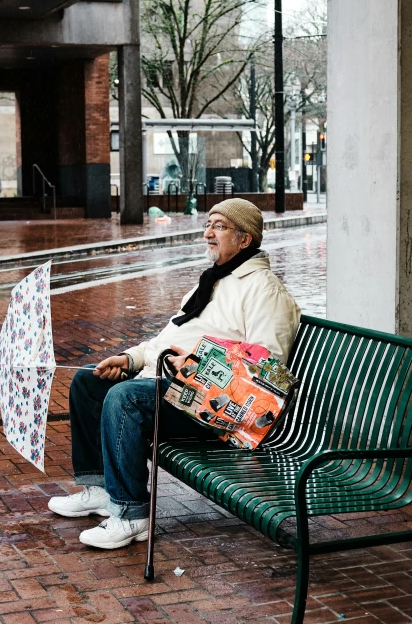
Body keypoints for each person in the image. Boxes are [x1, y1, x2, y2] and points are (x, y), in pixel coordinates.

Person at [48, 198, 300, 549]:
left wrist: (197, 370)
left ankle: (131, 514)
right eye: (209, 224)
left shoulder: (265, 292)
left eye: (220, 226)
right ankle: (102, 490)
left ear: (245, 240)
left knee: (125, 398)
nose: (208, 233)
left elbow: (266, 372)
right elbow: (169, 337)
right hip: (174, 386)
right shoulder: (212, 281)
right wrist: (131, 359)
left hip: (216, 410)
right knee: (89, 381)